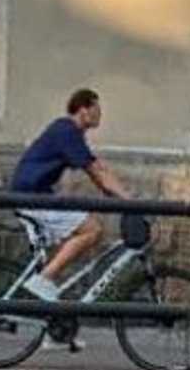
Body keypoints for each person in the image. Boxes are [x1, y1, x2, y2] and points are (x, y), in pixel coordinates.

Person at [9, 88, 131, 331]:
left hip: (36, 194)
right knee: (91, 230)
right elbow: (98, 171)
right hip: (31, 196)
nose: (100, 115)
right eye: (97, 109)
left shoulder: (68, 133)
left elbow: (96, 172)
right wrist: (129, 199)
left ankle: (55, 330)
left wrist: (113, 194)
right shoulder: (67, 131)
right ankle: (43, 280)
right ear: (84, 109)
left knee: (81, 230)